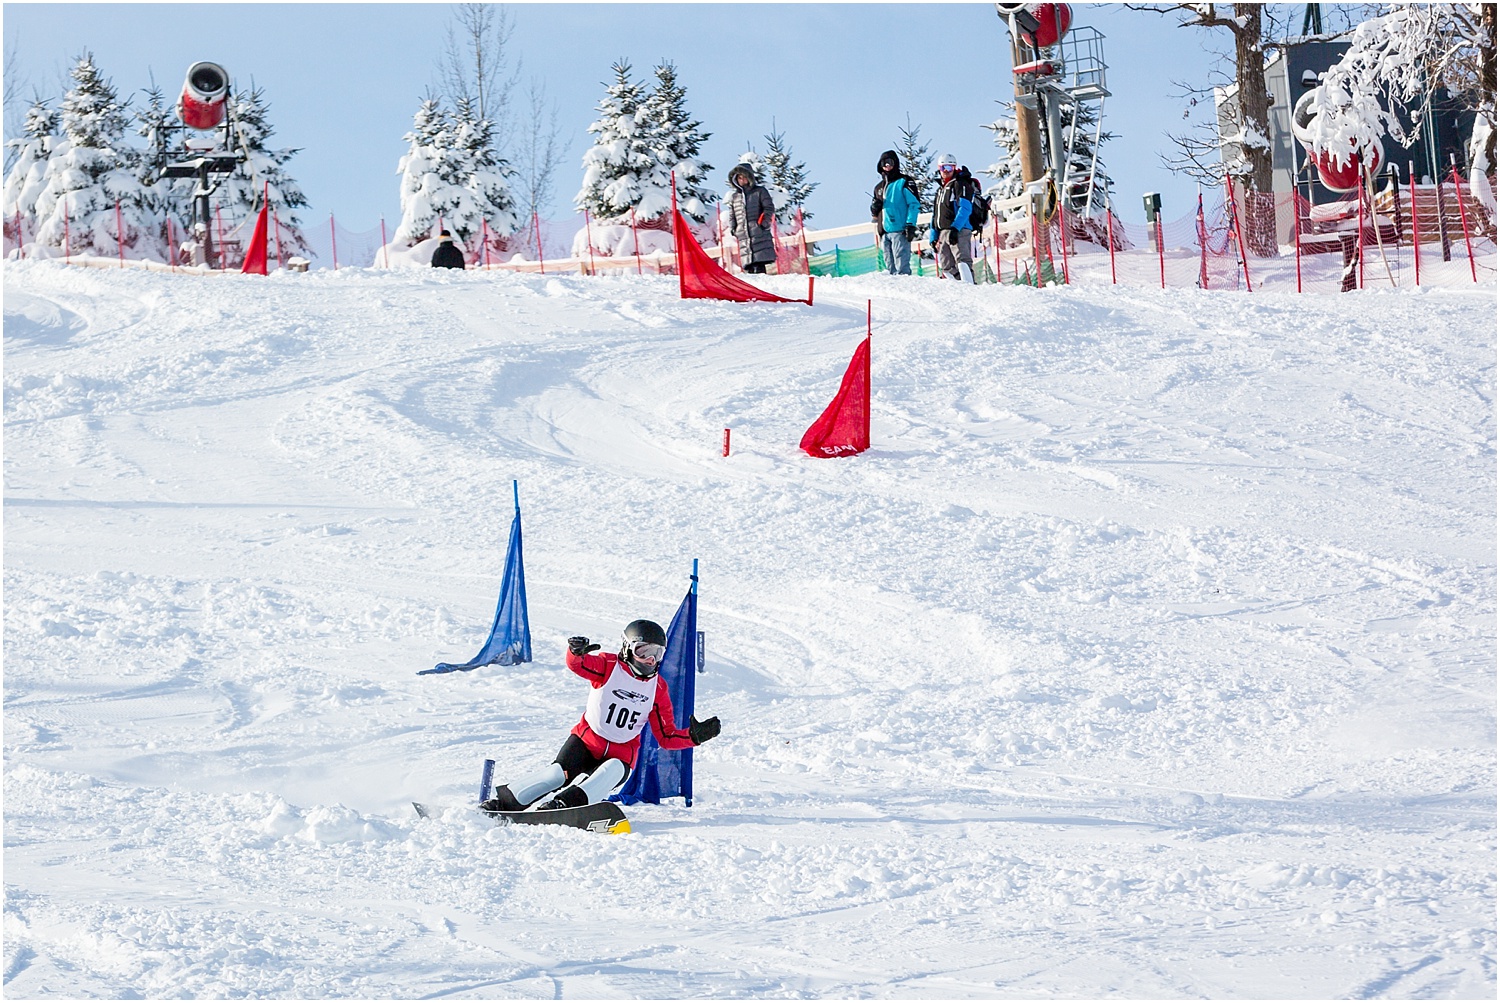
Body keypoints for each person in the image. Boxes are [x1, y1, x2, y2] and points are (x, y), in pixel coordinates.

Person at [480, 619, 722, 812]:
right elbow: (578, 665)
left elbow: (666, 736)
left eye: (657, 654)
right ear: (628, 648)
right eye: (643, 651)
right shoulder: (609, 665)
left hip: (622, 754)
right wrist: (575, 652)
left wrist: (694, 737)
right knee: (556, 775)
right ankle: (505, 803)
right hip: (586, 741)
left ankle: (564, 806)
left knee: (611, 772)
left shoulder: (657, 688)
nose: (650, 660)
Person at [928, 154, 983, 283]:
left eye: (949, 167)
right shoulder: (940, 190)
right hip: (943, 232)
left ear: (954, 167)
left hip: (959, 229)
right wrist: (933, 236)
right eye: (943, 168)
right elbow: (935, 215)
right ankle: (955, 288)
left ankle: (969, 285)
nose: (946, 171)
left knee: (962, 260)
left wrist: (955, 228)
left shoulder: (960, 184)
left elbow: (965, 208)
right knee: (946, 265)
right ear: (939, 169)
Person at [871, 149, 920, 275]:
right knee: (889, 267)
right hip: (884, 231)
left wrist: (910, 224)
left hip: (900, 229)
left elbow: (914, 204)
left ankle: (905, 286)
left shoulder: (903, 182)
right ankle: (894, 289)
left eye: (890, 162)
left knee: (901, 265)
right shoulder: (879, 187)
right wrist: (874, 208)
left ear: (895, 164)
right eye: (884, 163)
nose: (887, 166)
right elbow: (874, 211)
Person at [725, 163, 777, 274]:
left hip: (758, 232)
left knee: (759, 264)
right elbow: (732, 215)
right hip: (743, 234)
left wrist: (764, 223)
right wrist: (734, 229)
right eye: (739, 177)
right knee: (748, 265)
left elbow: (769, 208)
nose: (742, 180)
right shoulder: (735, 197)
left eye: (744, 177)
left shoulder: (759, 191)